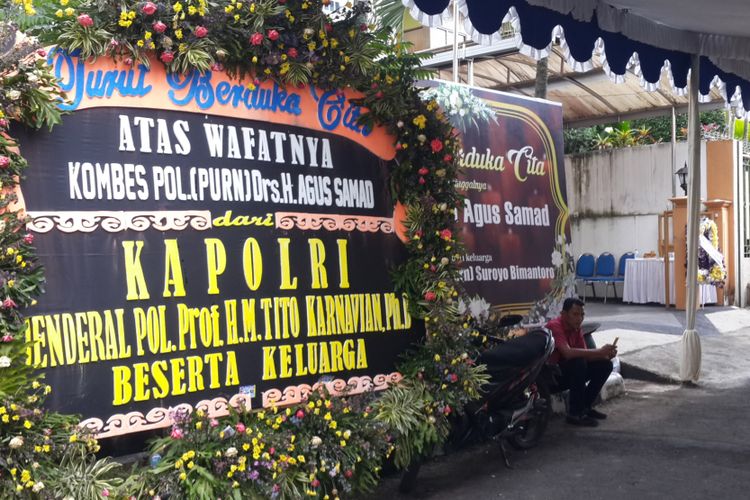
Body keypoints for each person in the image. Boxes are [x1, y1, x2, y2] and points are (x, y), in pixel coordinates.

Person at [545, 297, 617, 427]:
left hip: (567, 372)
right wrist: (599, 351)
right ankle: (574, 413)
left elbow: (586, 356)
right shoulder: (555, 326)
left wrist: (605, 356)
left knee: (605, 366)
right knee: (578, 362)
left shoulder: (576, 329)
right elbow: (567, 352)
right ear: (564, 314)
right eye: (575, 314)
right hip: (551, 378)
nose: (579, 319)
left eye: (582, 314)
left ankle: (585, 407)